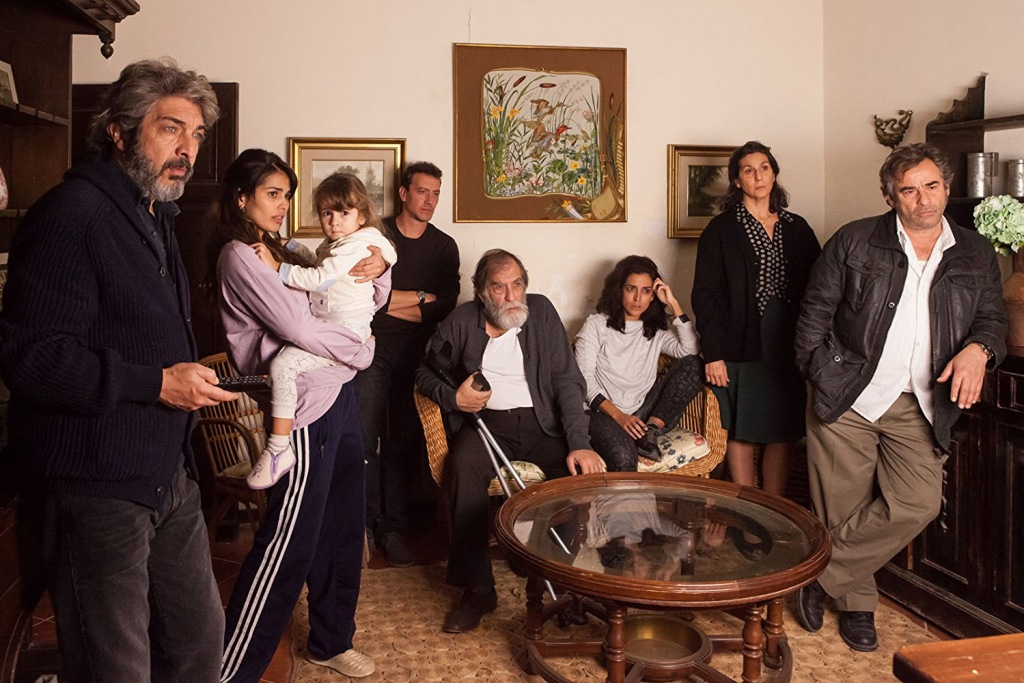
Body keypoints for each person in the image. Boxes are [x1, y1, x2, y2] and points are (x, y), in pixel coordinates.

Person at [0, 58, 230, 682]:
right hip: (95, 487)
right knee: (115, 669)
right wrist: (157, 384)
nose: (187, 149)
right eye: (170, 128)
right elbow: (31, 358)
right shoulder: (72, 216)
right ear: (120, 132)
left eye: (196, 134)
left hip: (165, 474)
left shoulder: (154, 214)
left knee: (199, 647)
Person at [793, 143, 1006, 652]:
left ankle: (816, 577)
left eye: (931, 186)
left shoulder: (976, 252)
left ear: (947, 189)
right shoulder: (854, 240)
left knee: (918, 502)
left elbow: (992, 319)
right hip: (849, 394)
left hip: (922, 402)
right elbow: (814, 312)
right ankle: (858, 607)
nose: (923, 199)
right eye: (908, 190)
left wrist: (980, 349)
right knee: (842, 508)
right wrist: (818, 373)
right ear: (890, 197)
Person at [216, 149, 390, 680]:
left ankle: (330, 641)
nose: (282, 205)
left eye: (287, 195)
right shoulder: (241, 256)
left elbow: (365, 299)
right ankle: (230, 669)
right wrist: (360, 351)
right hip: (305, 408)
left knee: (342, 528)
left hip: (340, 393)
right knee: (288, 542)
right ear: (241, 198)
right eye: (272, 194)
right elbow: (299, 327)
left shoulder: (284, 248)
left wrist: (380, 268)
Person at [415, 249, 604, 633]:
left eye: (517, 284)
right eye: (499, 287)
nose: (510, 296)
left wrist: (579, 442)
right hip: (487, 425)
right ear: (481, 292)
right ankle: (478, 589)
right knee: (462, 469)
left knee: (570, 478)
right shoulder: (462, 321)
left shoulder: (541, 313)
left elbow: (567, 381)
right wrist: (455, 398)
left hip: (542, 425)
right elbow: (424, 373)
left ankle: (557, 576)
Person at [246, 172, 397, 489]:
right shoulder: (339, 244)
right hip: (335, 329)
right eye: (327, 213)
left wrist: (277, 266)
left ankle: (278, 448)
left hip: (345, 332)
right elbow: (319, 263)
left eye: (344, 213)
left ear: (361, 216)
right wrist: (293, 246)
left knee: (283, 366)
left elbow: (318, 278)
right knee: (284, 367)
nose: (334, 221)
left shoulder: (355, 245)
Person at [692, 141, 821, 505]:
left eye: (764, 167)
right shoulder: (721, 230)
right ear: (737, 181)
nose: (758, 176)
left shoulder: (797, 228)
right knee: (743, 427)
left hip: (788, 345)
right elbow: (705, 296)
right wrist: (713, 354)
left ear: (774, 174)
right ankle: (747, 508)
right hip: (739, 342)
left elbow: (820, 288)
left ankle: (774, 508)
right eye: (748, 170)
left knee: (782, 429)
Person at [358, 161, 460, 567]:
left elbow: (444, 308)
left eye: (435, 193)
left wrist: (387, 300)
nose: (429, 200)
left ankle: (393, 529)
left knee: (403, 442)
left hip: (417, 358)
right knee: (363, 438)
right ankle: (365, 525)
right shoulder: (376, 236)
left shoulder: (444, 247)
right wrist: (419, 296)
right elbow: (362, 299)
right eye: (422, 191)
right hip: (370, 351)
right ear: (403, 193)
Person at [575, 255, 702, 471]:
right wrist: (620, 417)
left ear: (653, 296)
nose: (637, 298)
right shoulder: (597, 325)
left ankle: (650, 431)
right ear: (619, 290)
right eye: (631, 289)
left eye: (646, 291)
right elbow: (583, 381)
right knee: (624, 457)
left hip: (643, 412)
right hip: (600, 414)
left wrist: (673, 303)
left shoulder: (656, 330)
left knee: (694, 364)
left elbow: (691, 350)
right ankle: (638, 441)